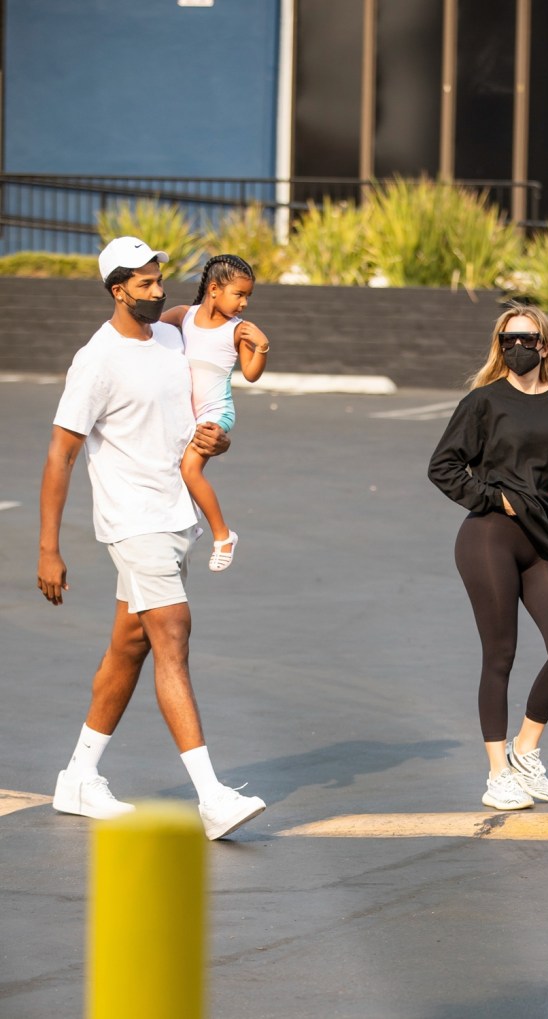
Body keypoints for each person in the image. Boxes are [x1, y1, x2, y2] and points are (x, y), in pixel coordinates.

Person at [36, 235, 266, 839]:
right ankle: (212, 797)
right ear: (118, 291)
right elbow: (61, 455)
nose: (160, 290)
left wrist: (218, 441)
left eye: (159, 279)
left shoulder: (170, 335)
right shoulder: (97, 359)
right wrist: (48, 549)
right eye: (144, 283)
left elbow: (196, 417)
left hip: (175, 515)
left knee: (130, 644)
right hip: (132, 519)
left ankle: (79, 776)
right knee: (172, 634)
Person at [428, 301, 548, 811]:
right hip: (490, 536)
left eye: (525, 339)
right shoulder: (484, 401)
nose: (516, 348)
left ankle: (526, 750)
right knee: (500, 653)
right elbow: (444, 466)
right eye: (507, 340)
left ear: (543, 344)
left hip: (543, 535)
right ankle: (497, 773)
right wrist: (493, 499)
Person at [161, 254, 270, 572]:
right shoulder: (183, 316)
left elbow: (251, 374)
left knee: (190, 470)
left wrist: (262, 347)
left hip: (216, 411)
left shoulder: (238, 331)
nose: (244, 303)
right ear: (213, 290)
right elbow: (149, 332)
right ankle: (190, 525)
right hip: (187, 412)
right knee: (174, 469)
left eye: (248, 296)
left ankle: (223, 535)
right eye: (239, 294)